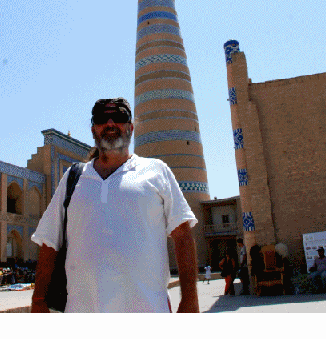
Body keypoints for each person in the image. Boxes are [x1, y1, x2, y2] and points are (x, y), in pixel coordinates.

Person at [30, 98, 199, 313]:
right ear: (93, 130)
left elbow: (182, 236)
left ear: (131, 128)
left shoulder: (156, 171)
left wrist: (190, 301)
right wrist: (38, 301)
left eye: (118, 116)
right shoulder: (74, 177)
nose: (110, 123)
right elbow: (49, 242)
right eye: (102, 119)